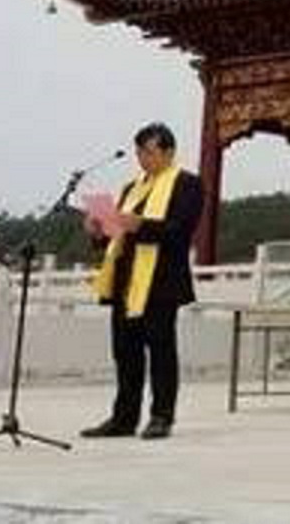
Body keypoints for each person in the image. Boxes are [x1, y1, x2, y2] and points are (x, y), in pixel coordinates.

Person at [81, 122, 204, 440]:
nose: (142, 159)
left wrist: (141, 225)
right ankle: (123, 418)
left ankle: (161, 416)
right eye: (139, 152)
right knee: (125, 353)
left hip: (160, 282)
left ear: (169, 152)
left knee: (161, 351)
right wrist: (98, 231)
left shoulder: (187, 184)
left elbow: (179, 231)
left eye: (149, 152)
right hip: (125, 280)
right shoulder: (130, 188)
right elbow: (117, 234)